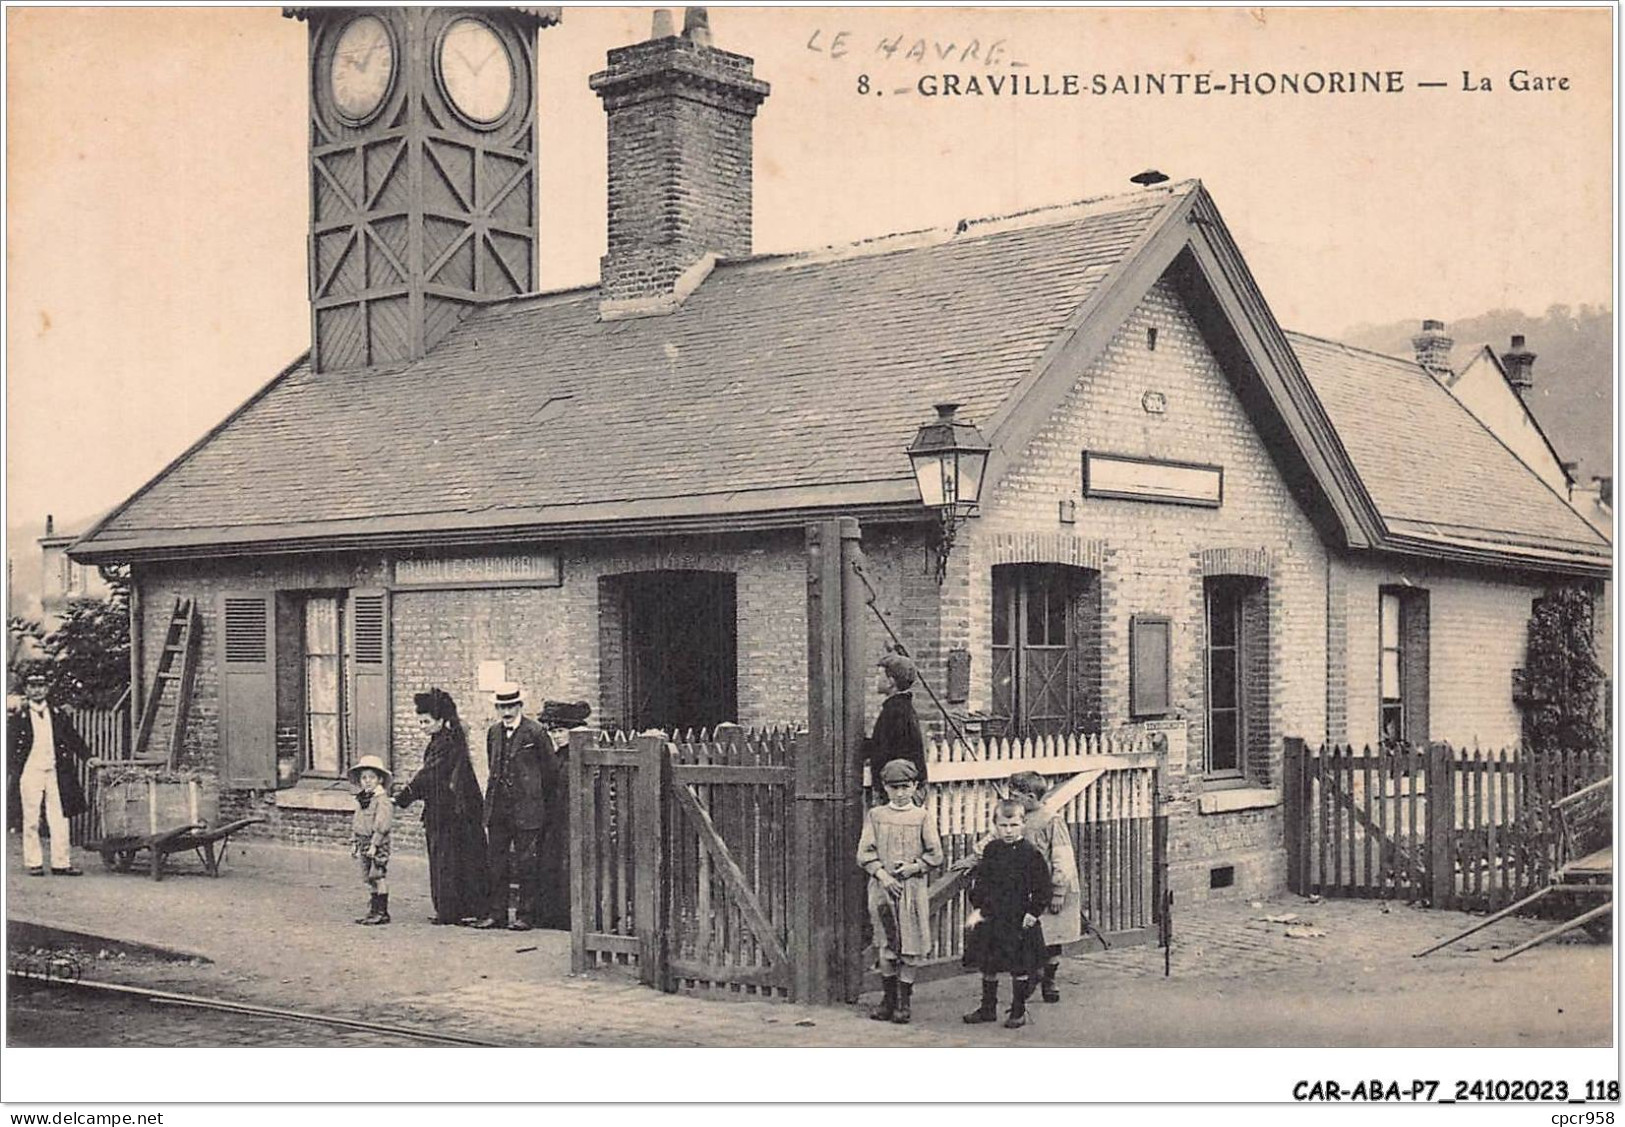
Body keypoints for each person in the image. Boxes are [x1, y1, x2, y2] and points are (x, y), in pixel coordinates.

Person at [856, 758, 943, 1024]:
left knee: (910, 947)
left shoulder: (922, 816)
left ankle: (904, 1003)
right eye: (894, 788)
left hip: (912, 891)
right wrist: (882, 875)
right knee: (887, 947)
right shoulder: (877, 816)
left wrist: (913, 868)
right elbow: (864, 853)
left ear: (915, 786)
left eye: (906, 787)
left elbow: (936, 854)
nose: (901, 793)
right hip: (883, 892)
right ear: (884, 788)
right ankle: (888, 999)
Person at [394, 689, 490, 926]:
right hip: (453, 810)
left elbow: (429, 775)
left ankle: (451, 911)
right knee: (458, 860)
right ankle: (460, 909)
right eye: (420, 721)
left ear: (441, 721)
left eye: (426, 722)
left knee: (447, 860)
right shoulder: (448, 739)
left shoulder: (445, 743)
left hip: (450, 812)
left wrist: (404, 796)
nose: (422, 726)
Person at [473, 683, 558, 931]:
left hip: (527, 809)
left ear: (520, 706)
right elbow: (493, 765)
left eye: (511, 706)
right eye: (502, 706)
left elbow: (550, 771)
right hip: (498, 808)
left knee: (526, 863)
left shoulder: (536, 732)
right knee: (496, 863)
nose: (506, 711)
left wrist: (533, 798)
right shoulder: (493, 732)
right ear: (497, 708)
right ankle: (497, 914)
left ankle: (525, 915)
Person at [961, 797, 1051, 1029]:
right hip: (992, 916)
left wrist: (1033, 913)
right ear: (995, 825)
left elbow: (1043, 888)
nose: (1008, 831)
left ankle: (1018, 1010)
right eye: (1003, 825)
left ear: (1023, 824)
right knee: (988, 964)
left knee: (1018, 965)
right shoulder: (992, 850)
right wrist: (978, 906)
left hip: (1017, 918)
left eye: (1013, 825)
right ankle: (987, 1008)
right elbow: (982, 881)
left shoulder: (1031, 854)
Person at [7, 673, 95, 876]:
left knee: (60, 817)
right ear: (26, 690)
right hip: (30, 771)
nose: (37, 690)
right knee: (31, 818)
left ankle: (61, 863)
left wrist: (88, 757)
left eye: (41, 686)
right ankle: (34, 862)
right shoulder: (17, 717)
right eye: (32, 686)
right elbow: (9, 747)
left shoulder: (57, 714)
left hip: (56, 771)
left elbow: (73, 738)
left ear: (47, 689)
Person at [1008, 770, 1083, 1003]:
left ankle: (1048, 981)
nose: (1011, 799)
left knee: (1052, 939)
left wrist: (1058, 892)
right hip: (1029, 891)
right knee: (1030, 936)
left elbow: (1062, 858)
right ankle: (1035, 974)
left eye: (1015, 796)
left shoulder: (1051, 820)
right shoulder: (1018, 819)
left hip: (1052, 889)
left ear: (1030, 797)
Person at [535, 699, 592, 930]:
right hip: (555, 819)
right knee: (552, 863)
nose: (556, 736)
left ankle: (570, 916)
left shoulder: (581, 756)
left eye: (560, 731)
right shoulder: (557, 756)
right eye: (553, 731)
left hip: (575, 820)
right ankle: (554, 915)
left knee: (571, 865)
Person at [862, 652, 927, 788]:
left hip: (898, 788)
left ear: (891, 681)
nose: (875, 680)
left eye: (878, 675)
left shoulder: (896, 711)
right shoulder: (901, 708)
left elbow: (885, 750)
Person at [349, 755, 394, 925]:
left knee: (378, 875)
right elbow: (358, 822)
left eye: (372, 777)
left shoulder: (382, 801)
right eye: (364, 778)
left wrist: (375, 844)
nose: (367, 781)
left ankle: (382, 911)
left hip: (377, 843)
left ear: (380, 779)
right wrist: (354, 842)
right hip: (363, 842)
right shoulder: (362, 800)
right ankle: (374, 910)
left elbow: (382, 825)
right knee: (369, 876)